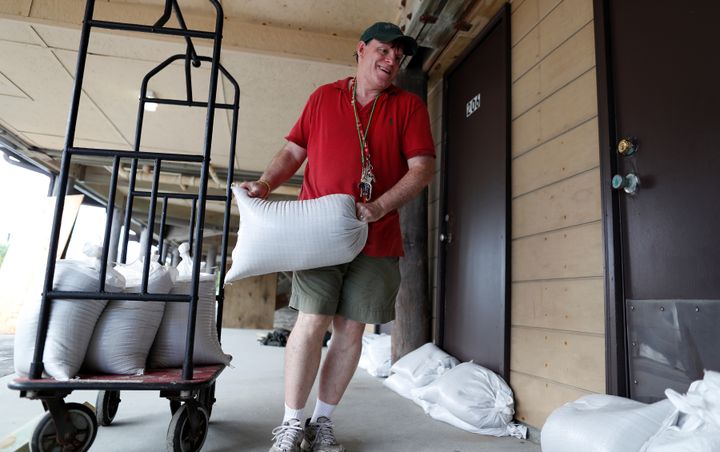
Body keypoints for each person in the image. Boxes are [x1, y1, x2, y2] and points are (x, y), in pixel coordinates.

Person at [241, 22, 436, 452]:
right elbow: (295, 151)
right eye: (383, 51)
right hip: (319, 234)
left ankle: (322, 422)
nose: (391, 62)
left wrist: (380, 207)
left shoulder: (409, 106)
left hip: (378, 234)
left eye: (398, 57)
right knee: (311, 321)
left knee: (351, 330)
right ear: (361, 49)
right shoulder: (324, 97)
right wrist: (266, 184)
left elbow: (422, 167)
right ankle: (292, 424)